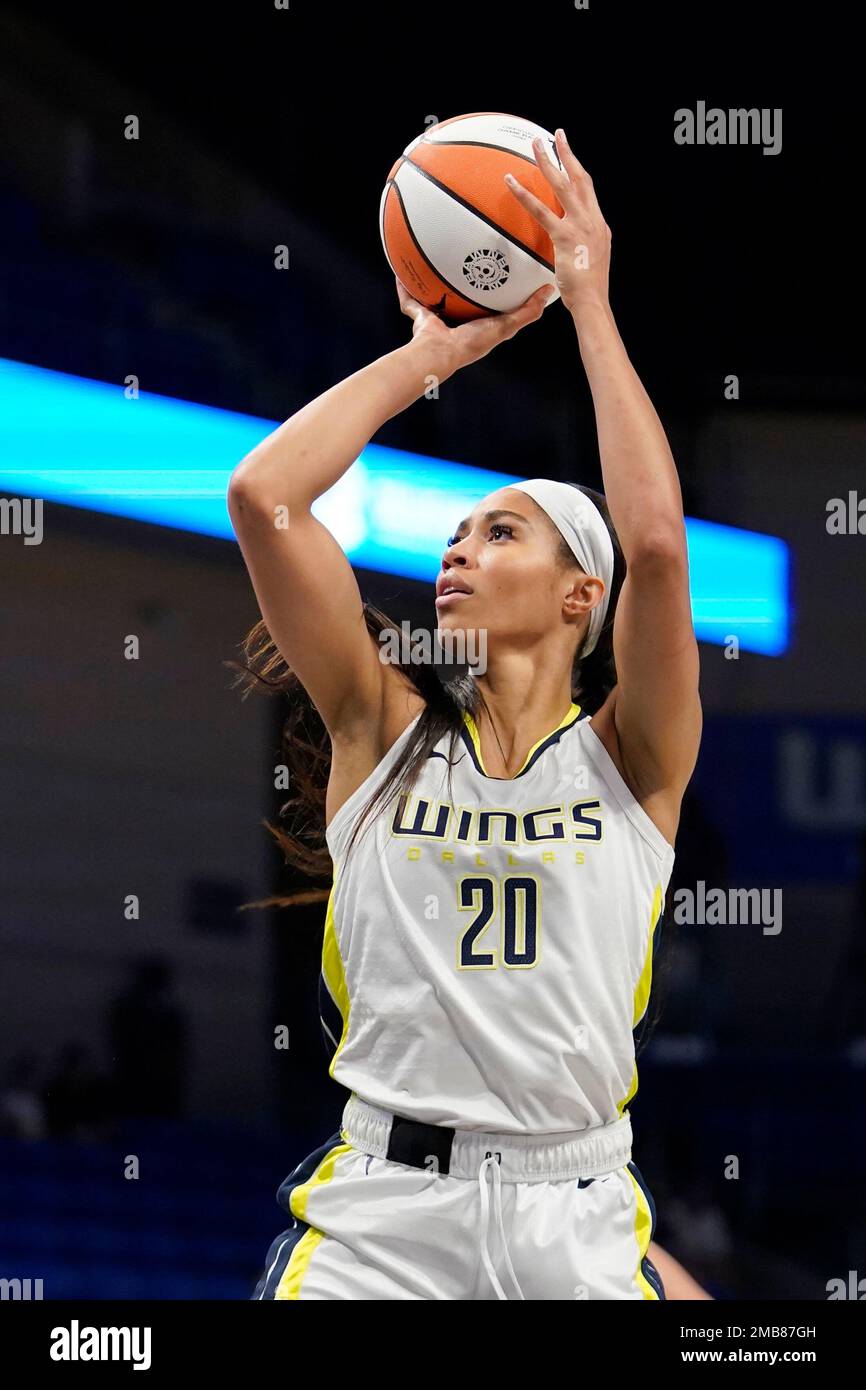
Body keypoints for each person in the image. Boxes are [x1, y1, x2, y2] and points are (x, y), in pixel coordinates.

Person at [230, 127, 702, 1300]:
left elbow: (652, 538)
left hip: (577, 1213)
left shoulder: (630, 761)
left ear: (577, 596)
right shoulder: (378, 727)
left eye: (499, 533)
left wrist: (583, 298)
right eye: (452, 532)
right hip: (386, 1217)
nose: (457, 548)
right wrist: (435, 355)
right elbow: (264, 495)